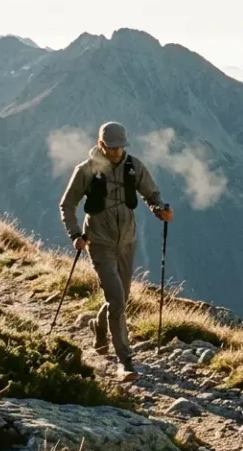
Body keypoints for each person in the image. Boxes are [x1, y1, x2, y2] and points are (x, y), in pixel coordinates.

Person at [59, 122, 173, 381]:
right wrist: (75, 235)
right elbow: (67, 205)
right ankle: (125, 360)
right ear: (101, 145)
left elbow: (151, 193)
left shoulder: (134, 167)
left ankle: (98, 325)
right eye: (111, 147)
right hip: (99, 242)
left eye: (120, 147)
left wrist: (159, 210)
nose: (117, 152)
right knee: (117, 299)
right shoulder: (86, 170)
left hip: (127, 241)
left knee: (120, 298)